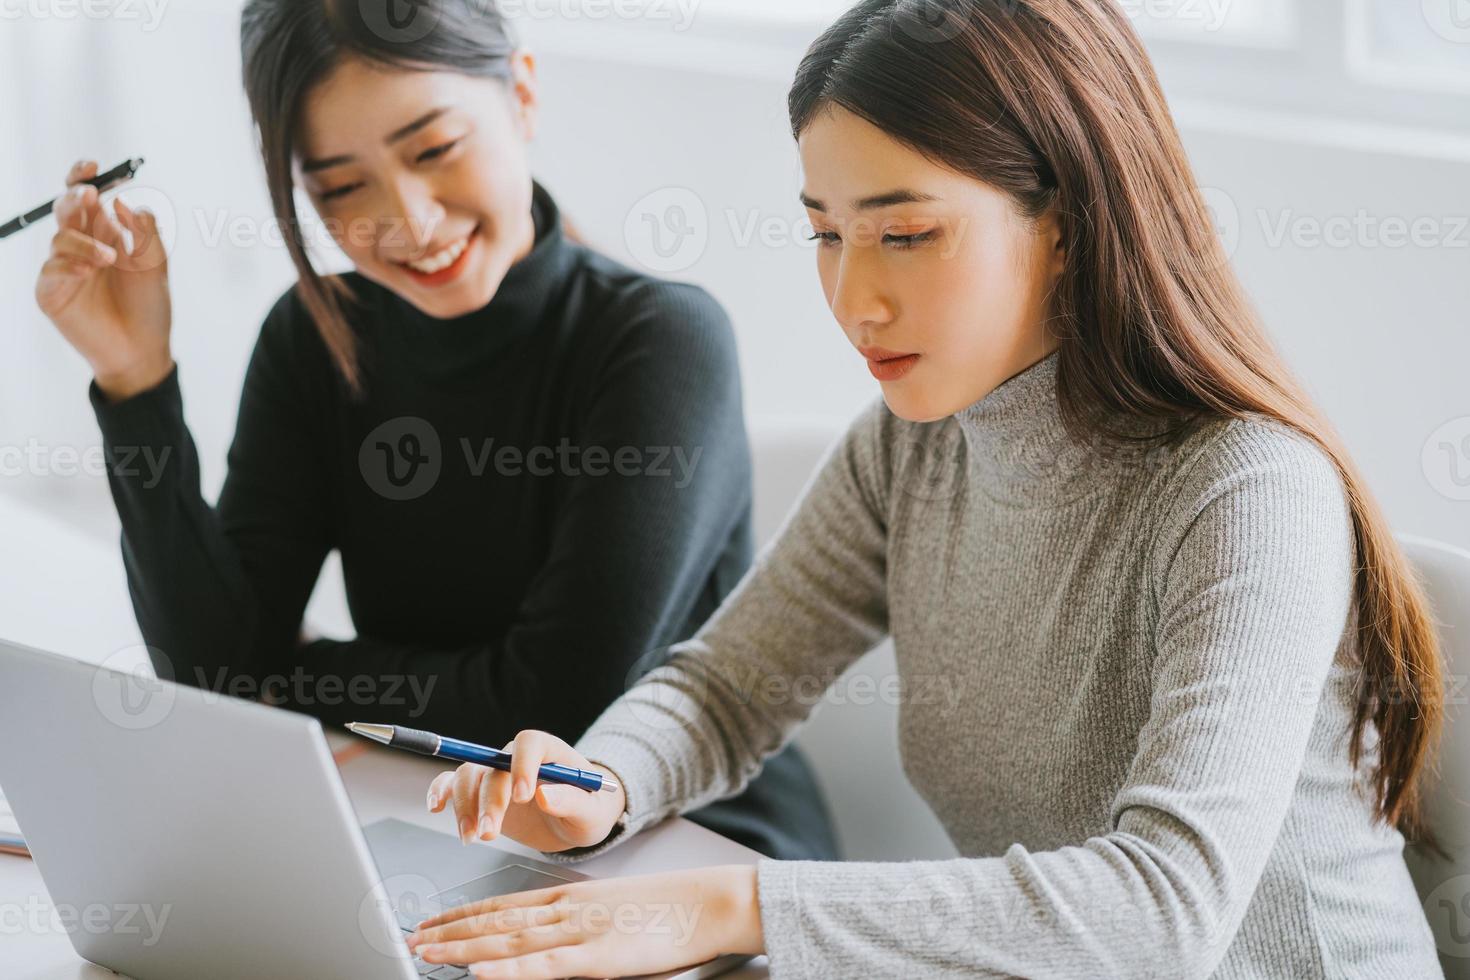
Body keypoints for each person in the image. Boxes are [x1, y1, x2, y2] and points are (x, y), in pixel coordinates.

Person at [408, 1, 1446, 977]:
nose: (855, 298)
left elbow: (1164, 907)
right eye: (826, 232)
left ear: (1069, 224)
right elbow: (728, 687)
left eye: (906, 233)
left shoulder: (1246, 490)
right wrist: (602, 782)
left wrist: (733, 904)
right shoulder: (915, 450)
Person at [31, 0, 838, 863]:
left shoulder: (662, 342)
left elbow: (552, 715)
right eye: (340, 187)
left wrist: (290, 676)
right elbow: (210, 680)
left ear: (521, 94)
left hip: (693, 852)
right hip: (442, 831)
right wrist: (135, 380)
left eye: (434, 150)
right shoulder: (315, 338)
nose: (409, 222)